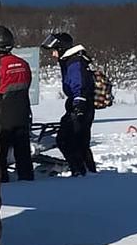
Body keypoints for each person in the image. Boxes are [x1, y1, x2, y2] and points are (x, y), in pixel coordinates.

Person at [41, 30, 98, 175]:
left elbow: (78, 82)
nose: (53, 54)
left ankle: (80, 170)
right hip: (80, 103)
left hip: (80, 103)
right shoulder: (72, 60)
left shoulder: (74, 62)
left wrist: (79, 102)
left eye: (54, 51)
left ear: (61, 49)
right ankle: (87, 170)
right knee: (81, 141)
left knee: (65, 139)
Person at [0, 27, 35, 182]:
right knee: (23, 151)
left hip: (2, 114)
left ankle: (2, 179)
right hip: (22, 112)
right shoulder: (23, 64)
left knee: (0, 151)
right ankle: (26, 178)